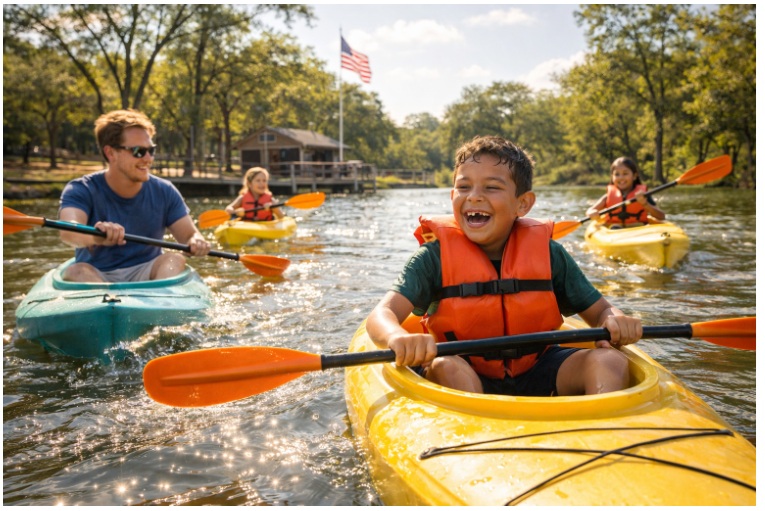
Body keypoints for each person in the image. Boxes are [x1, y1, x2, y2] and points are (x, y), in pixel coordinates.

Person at [366, 135, 643, 397]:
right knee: (447, 366)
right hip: (463, 370)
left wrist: (614, 319)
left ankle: (604, 437)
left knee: (610, 361)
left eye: (492, 187)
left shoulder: (550, 254)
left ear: (522, 204)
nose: (474, 196)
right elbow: (382, 314)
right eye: (464, 187)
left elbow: (600, 310)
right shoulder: (432, 259)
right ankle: (476, 439)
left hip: (539, 367)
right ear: (453, 196)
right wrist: (396, 337)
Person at [58, 109, 211, 282]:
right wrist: (96, 236)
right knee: (76, 271)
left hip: (147, 271)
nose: (148, 159)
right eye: (138, 151)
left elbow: (189, 235)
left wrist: (196, 241)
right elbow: (68, 231)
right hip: (97, 273)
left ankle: (160, 304)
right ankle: (109, 305)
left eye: (151, 150)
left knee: (174, 259)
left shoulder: (165, 190)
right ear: (111, 153)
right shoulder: (81, 189)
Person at [586, 156, 665, 227]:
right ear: (612, 177)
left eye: (625, 173)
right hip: (613, 231)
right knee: (615, 227)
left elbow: (661, 216)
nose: (621, 178)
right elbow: (590, 210)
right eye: (617, 174)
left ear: (634, 176)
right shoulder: (608, 196)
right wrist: (592, 212)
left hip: (638, 230)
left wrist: (645, 204)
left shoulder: (643, 196)